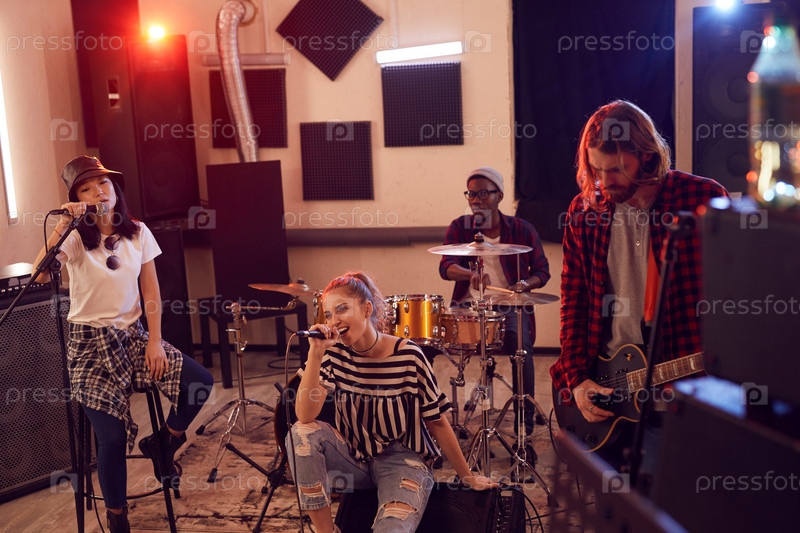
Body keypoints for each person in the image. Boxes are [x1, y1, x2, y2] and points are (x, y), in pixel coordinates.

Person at [32, 156, 214, 533]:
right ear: (77, 199)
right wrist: (64, 224)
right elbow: (39, 274)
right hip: (89, 346)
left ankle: (164, 442)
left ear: (115, 189)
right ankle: (118, 518)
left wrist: (155, 341)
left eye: (103, 183)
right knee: (112, 438)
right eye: (86, 188)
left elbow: (151, 290)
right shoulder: (75, 238)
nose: (99, 192)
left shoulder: (138, 232)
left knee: (199, 382)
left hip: (133, 337)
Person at [550, 100, 729, 482]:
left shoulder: (702, 200)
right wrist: (576, 378)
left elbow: (734, 294)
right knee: (613, 506)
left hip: (677, 391)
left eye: (616, 169)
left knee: (666, 502)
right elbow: (574, 301)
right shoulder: (584, 211)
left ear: (646, 156)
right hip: (606, 383)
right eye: (596, 170)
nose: (604, 181)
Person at [285, 271, 496, 533]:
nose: (333, 321)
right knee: (301, 434)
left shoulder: (408, 355)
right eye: (328, 315)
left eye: (342, 309)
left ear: (366, 309)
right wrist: (316, 354)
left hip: (403, 461)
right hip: (354, 457)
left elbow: (437, 422)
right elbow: (304, 416)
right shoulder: (333, 353)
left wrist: (467, 477)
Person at [439, 167, 550, 433]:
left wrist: (523, 285)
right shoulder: (460, 227)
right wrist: (470, 275)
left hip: (508, 305)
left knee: (520, 346)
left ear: (499, 196)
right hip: (468, 306)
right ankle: (432, 416)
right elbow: (445, 267)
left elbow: (542, 271)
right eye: (471, 194)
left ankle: (523, 418)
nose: (475, 200)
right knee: (427, 343)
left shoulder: (522, 229)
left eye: (482, 194)